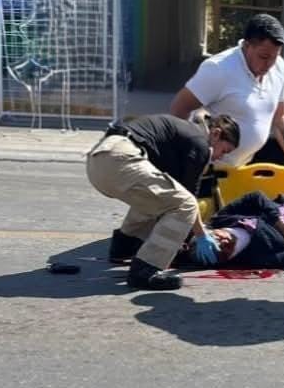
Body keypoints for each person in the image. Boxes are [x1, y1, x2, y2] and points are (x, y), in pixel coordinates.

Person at [85, 113, 240, 290]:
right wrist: (201, 235)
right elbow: (189, 199)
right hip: (120, 159)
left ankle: (125, 246)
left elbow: (174, 193)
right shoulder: (200, 143)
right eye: (224, 151)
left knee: (161, 197)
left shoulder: (183, 134)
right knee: (185, 204)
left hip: (98, 160)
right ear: (216, 134)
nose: (219, 157)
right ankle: (145, 270)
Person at [169, 13, 284, 167]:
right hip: (217, 163)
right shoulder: (219, 69)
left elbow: (280, 115)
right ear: (246, 46)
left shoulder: (279, 67)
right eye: (263, 57)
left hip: (250, 158)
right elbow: (179, 108)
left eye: (274, 57)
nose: (269, 64)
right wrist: (192, 154)